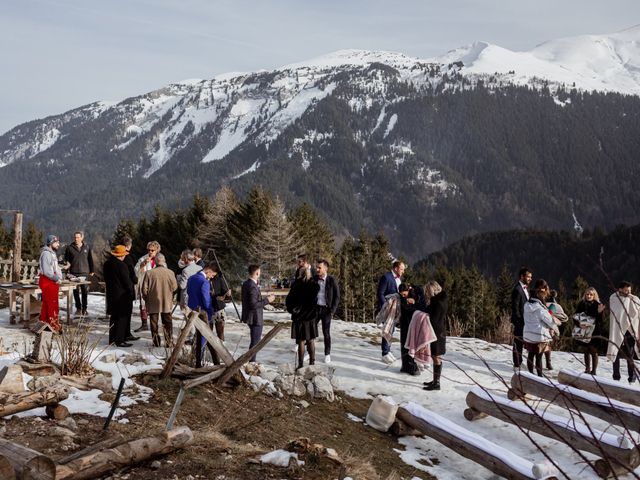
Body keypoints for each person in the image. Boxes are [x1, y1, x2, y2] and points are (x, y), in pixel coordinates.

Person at [141, 253, 178, 348]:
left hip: (153, 301)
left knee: (154, 323)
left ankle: (156, 341)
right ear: (164, 261)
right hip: (166, 301)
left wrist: (146, 299)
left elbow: (144, 289)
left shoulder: (149, 273)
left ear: (155, 262)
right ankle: (168, 342)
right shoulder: (170, 273)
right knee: (168, 323)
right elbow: (175, 287)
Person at [286, 266, 320, 369]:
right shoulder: (314, 285)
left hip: (299, 317)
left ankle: (300, 364)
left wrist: (293, 310)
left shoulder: (296, 285)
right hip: (310, 317)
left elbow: (288, 301)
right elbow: (315, 300)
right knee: (310, 340)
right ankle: (312, 363)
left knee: (301, 340)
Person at [523, 279, 558, 377]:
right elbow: (550, 321)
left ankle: (530, 376)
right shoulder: (540, 308)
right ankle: (539, 378)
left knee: (530, 355)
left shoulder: (527, 305)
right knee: (539, 358)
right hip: (539, 336)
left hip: (528, 334)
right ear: (542, 290)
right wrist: (552, 315)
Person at [241, 265, 275, 362]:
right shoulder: (252, 286)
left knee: (254, 341)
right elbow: (253, 304)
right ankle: (252, 362)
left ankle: (251, 361)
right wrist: (267, 300)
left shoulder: (246, 283)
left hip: (250, 316)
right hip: (255, 317)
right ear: (257, 273)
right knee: (255, 343)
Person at [607, 281, 640, 383]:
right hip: (617, 328)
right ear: (620, 289)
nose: (628, 292)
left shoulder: (634, 299)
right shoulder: (614, 298)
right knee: (615, 351)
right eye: (626, 290)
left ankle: (632, 377)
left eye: (629, 290)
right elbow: (616, 313)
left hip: (630, 330)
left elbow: (636, 313)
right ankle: (616, 376)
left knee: (629, 354)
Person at [103, 245, 135, 347]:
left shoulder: (107, 264)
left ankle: (111, 339)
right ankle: (120, 340)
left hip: (111, 294)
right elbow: (127, 282)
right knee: (122, 318)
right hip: (122, 296)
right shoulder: (122, 266)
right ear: (122, 255)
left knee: (113, 317)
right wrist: (131, 292)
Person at [187, 263, 216, 367]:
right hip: (203, 312)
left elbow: (189, 293)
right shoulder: (204, 282)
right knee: (203, 336)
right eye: (212, 275)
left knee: (197, 335)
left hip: (192, 309)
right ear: (208, 271)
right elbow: (206, 299)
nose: (212, 277)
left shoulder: (191, 278)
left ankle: (194, 356)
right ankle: (198, 360)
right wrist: (210, 311)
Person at [376, 260, 406, 364]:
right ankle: (384, 353)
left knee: (391, 330)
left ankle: (388, 351)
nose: (403, 271)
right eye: (401, 269)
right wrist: (385, 306)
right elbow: (380, 293)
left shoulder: (399, 279)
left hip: (395, 309)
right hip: (388, 309)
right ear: (396, 268)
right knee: (387, 329)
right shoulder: (386, 277)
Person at [574, 287, 606, 375]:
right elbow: (575, 316)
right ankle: (587, 369)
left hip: (594, 331)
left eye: (591, 294)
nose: (589, 296)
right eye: (587, 294)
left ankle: (594, 371)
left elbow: (600, 320)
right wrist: (578, 324)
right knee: (586, 350)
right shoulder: (581, 304)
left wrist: (599, 312)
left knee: (593, 351)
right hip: (583, 330)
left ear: (594, 295)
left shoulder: (598, 304)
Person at [422, 280, 448, 390]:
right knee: (435, 356)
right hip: (438, 330)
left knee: (436, 356)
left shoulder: (437, 303)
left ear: (433, 289)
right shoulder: (440, 300)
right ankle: (435, 380)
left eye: (428, 290)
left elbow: (433, 318)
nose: (427, 293)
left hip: (436, 331)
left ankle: (437, 383)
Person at [63, 231, 94, 316]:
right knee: (75, 291)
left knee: (84, 291)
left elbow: (90, 259)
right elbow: (66, 261)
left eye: (78, 237)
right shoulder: (69, 248)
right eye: (75, 237)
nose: (76, 239)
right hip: (73, 272)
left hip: (84, 272)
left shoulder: (87, 247)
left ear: (82, 237)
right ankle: (78, 308)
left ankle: (84, 309)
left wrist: (92, 270)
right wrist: (66, 272)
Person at [315, 259, 340, 364]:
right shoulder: (314, 279)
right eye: (316, 267)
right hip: (315, 309)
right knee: (310, 330)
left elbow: (337, 296)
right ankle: (309, 351)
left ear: (325, 268)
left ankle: (327, 354)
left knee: (326, 333)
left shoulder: (331, 280)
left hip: (326, 310)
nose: (317, 269)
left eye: (319, 267)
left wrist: (332, 311)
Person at [134, 241, 161, 332]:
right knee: (143, 304)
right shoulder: (143, 259)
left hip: (156, 285)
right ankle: (144, 324)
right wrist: (142, 265)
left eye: (152, 250)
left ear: (157, 250)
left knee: (155, 305)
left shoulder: (160, 259)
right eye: (148, 250)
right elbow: (136, 270)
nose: (150, 252)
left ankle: (155, 324)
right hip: (145, 284)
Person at [38, 235, 63, 332]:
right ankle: (53, 326)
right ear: (51, 243)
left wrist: (60, 276)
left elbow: (54, 267)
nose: (58, 244)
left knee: (47, 304)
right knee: (53, 304)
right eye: (56, 243)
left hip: (51, 281)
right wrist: (56, 278)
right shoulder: (46, 254)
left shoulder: (51, 253)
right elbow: (47, 271)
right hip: (48, 281)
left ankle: (43, 323)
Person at [511, 267, 533, 369]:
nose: (530, 279)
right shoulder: (517, 290)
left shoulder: (526, 288)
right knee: (518, 342)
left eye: (530, 277)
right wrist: (519, 322)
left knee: (523, 342)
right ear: (522, 277)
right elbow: (515, 308)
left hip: (526, 321)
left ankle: (520, 360)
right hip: (520, 321)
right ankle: (517, 363)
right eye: (528, 277)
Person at [543, 289, 568, 370]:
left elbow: (549, 315)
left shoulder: (547, 304)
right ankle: (548, 363)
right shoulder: (554, 305)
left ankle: (548, 363)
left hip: (545, 326)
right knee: (547, 345)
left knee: (545, 345)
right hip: (550, 327)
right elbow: (563, 317)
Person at [398, 283, 419, 375]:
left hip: (411, 323)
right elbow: (406, 308)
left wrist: (413, 302)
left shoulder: (414, 296)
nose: (403, 296)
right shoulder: (403, 298)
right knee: (404, 345)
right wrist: (406, 300)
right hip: (405, 324)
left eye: (404, 294)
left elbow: (415, 308)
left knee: (410, 345)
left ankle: (411, 366)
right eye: (401, 294)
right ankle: (405, 366)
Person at [210, 263, 230, 344]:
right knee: (208, 332)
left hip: (219, 308)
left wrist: (226, 295)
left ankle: (222, 352)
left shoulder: (220, 280)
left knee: (220, 332)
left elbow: (225, 293)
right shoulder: (205, 279)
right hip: (208, 308)